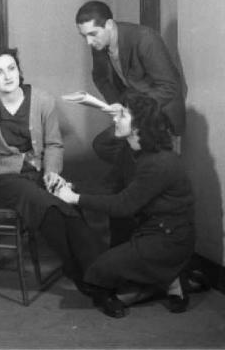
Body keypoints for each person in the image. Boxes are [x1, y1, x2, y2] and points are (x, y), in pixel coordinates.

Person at [0, 47, 105, 293]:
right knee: (53, 208)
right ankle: (91, 282)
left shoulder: (42, 100)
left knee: (68, 208)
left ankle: (97, 274)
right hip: (6, 180)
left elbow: (53, 144)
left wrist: (52, 172)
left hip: (40, 175)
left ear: (19, 70)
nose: (7, 76)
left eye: (11, 68)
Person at [54, 91, 195, 318]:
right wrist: (72, 186)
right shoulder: (130, 150)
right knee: (100, 272)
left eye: (122, 115)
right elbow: (110, 185)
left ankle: (173, 277)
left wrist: (75, 198)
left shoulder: (160, 162)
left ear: (139, 125)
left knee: (97, 274)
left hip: (170, 238)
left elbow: (123, 205)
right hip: (147, 229)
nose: (114, 119)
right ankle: (165, 278)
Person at [75, 0, 186, 137]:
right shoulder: (99, 43)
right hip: (133, 110)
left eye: (92, 34)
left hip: (161, 112)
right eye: (84, 36)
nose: (88, 42)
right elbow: (100, 78)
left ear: (109, 25)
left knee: (114, 146)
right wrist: (116, 105)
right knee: (103, 145)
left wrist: (132, 110)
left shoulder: (146, 39)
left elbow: (170, 87)